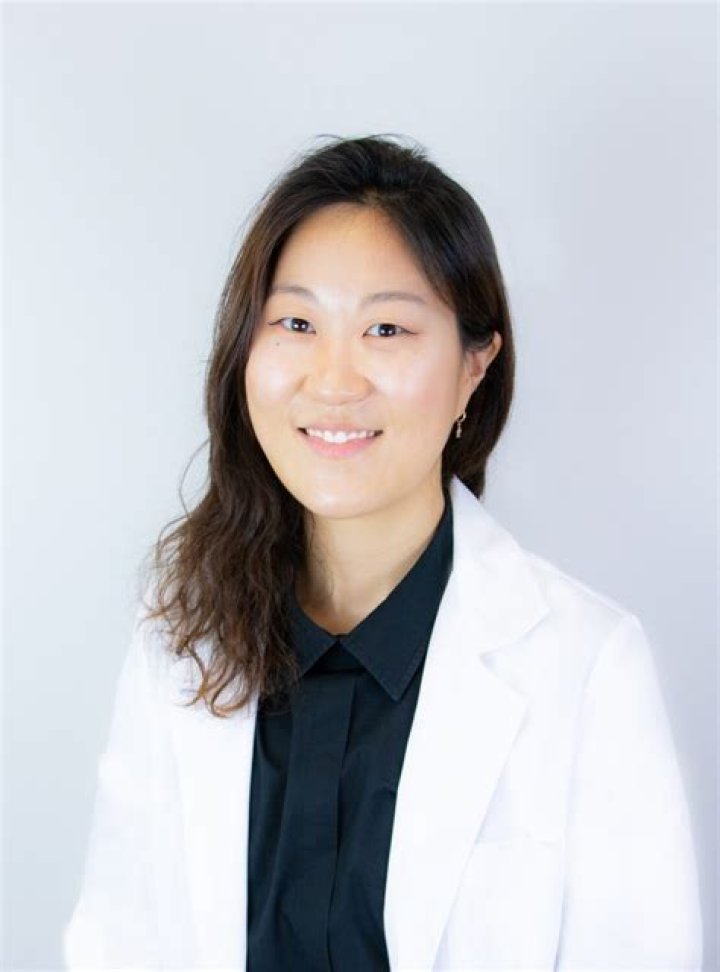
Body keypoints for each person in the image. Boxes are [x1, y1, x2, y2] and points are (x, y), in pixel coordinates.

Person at [63, 135, 703, 971]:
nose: (334, 381)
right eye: (297, 323)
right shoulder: (181, 640)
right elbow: (118, 947)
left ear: (475, 365)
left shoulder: (588, 665)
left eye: (387, 329)